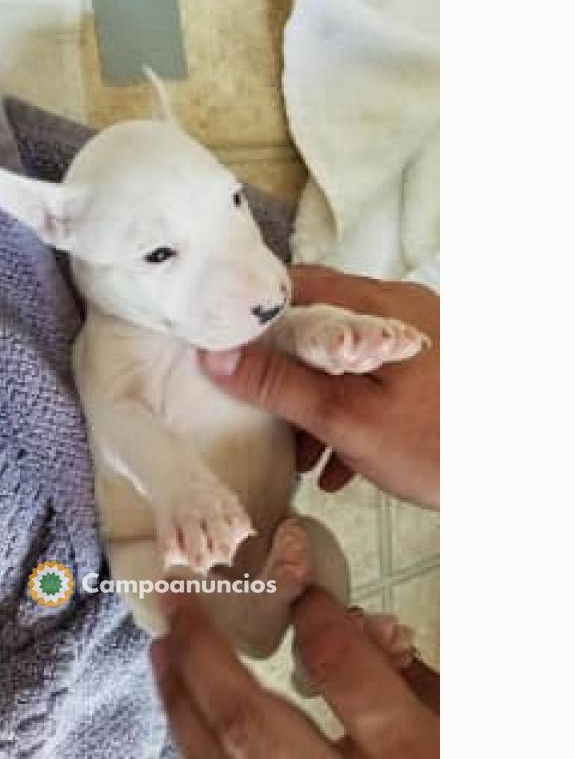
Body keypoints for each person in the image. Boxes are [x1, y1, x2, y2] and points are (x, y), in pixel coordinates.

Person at [150, 266, 440, 758]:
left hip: (228, 569)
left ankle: (299, 653)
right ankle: (313, 661)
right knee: (316, 564)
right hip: (252, 529)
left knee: (271, 611)